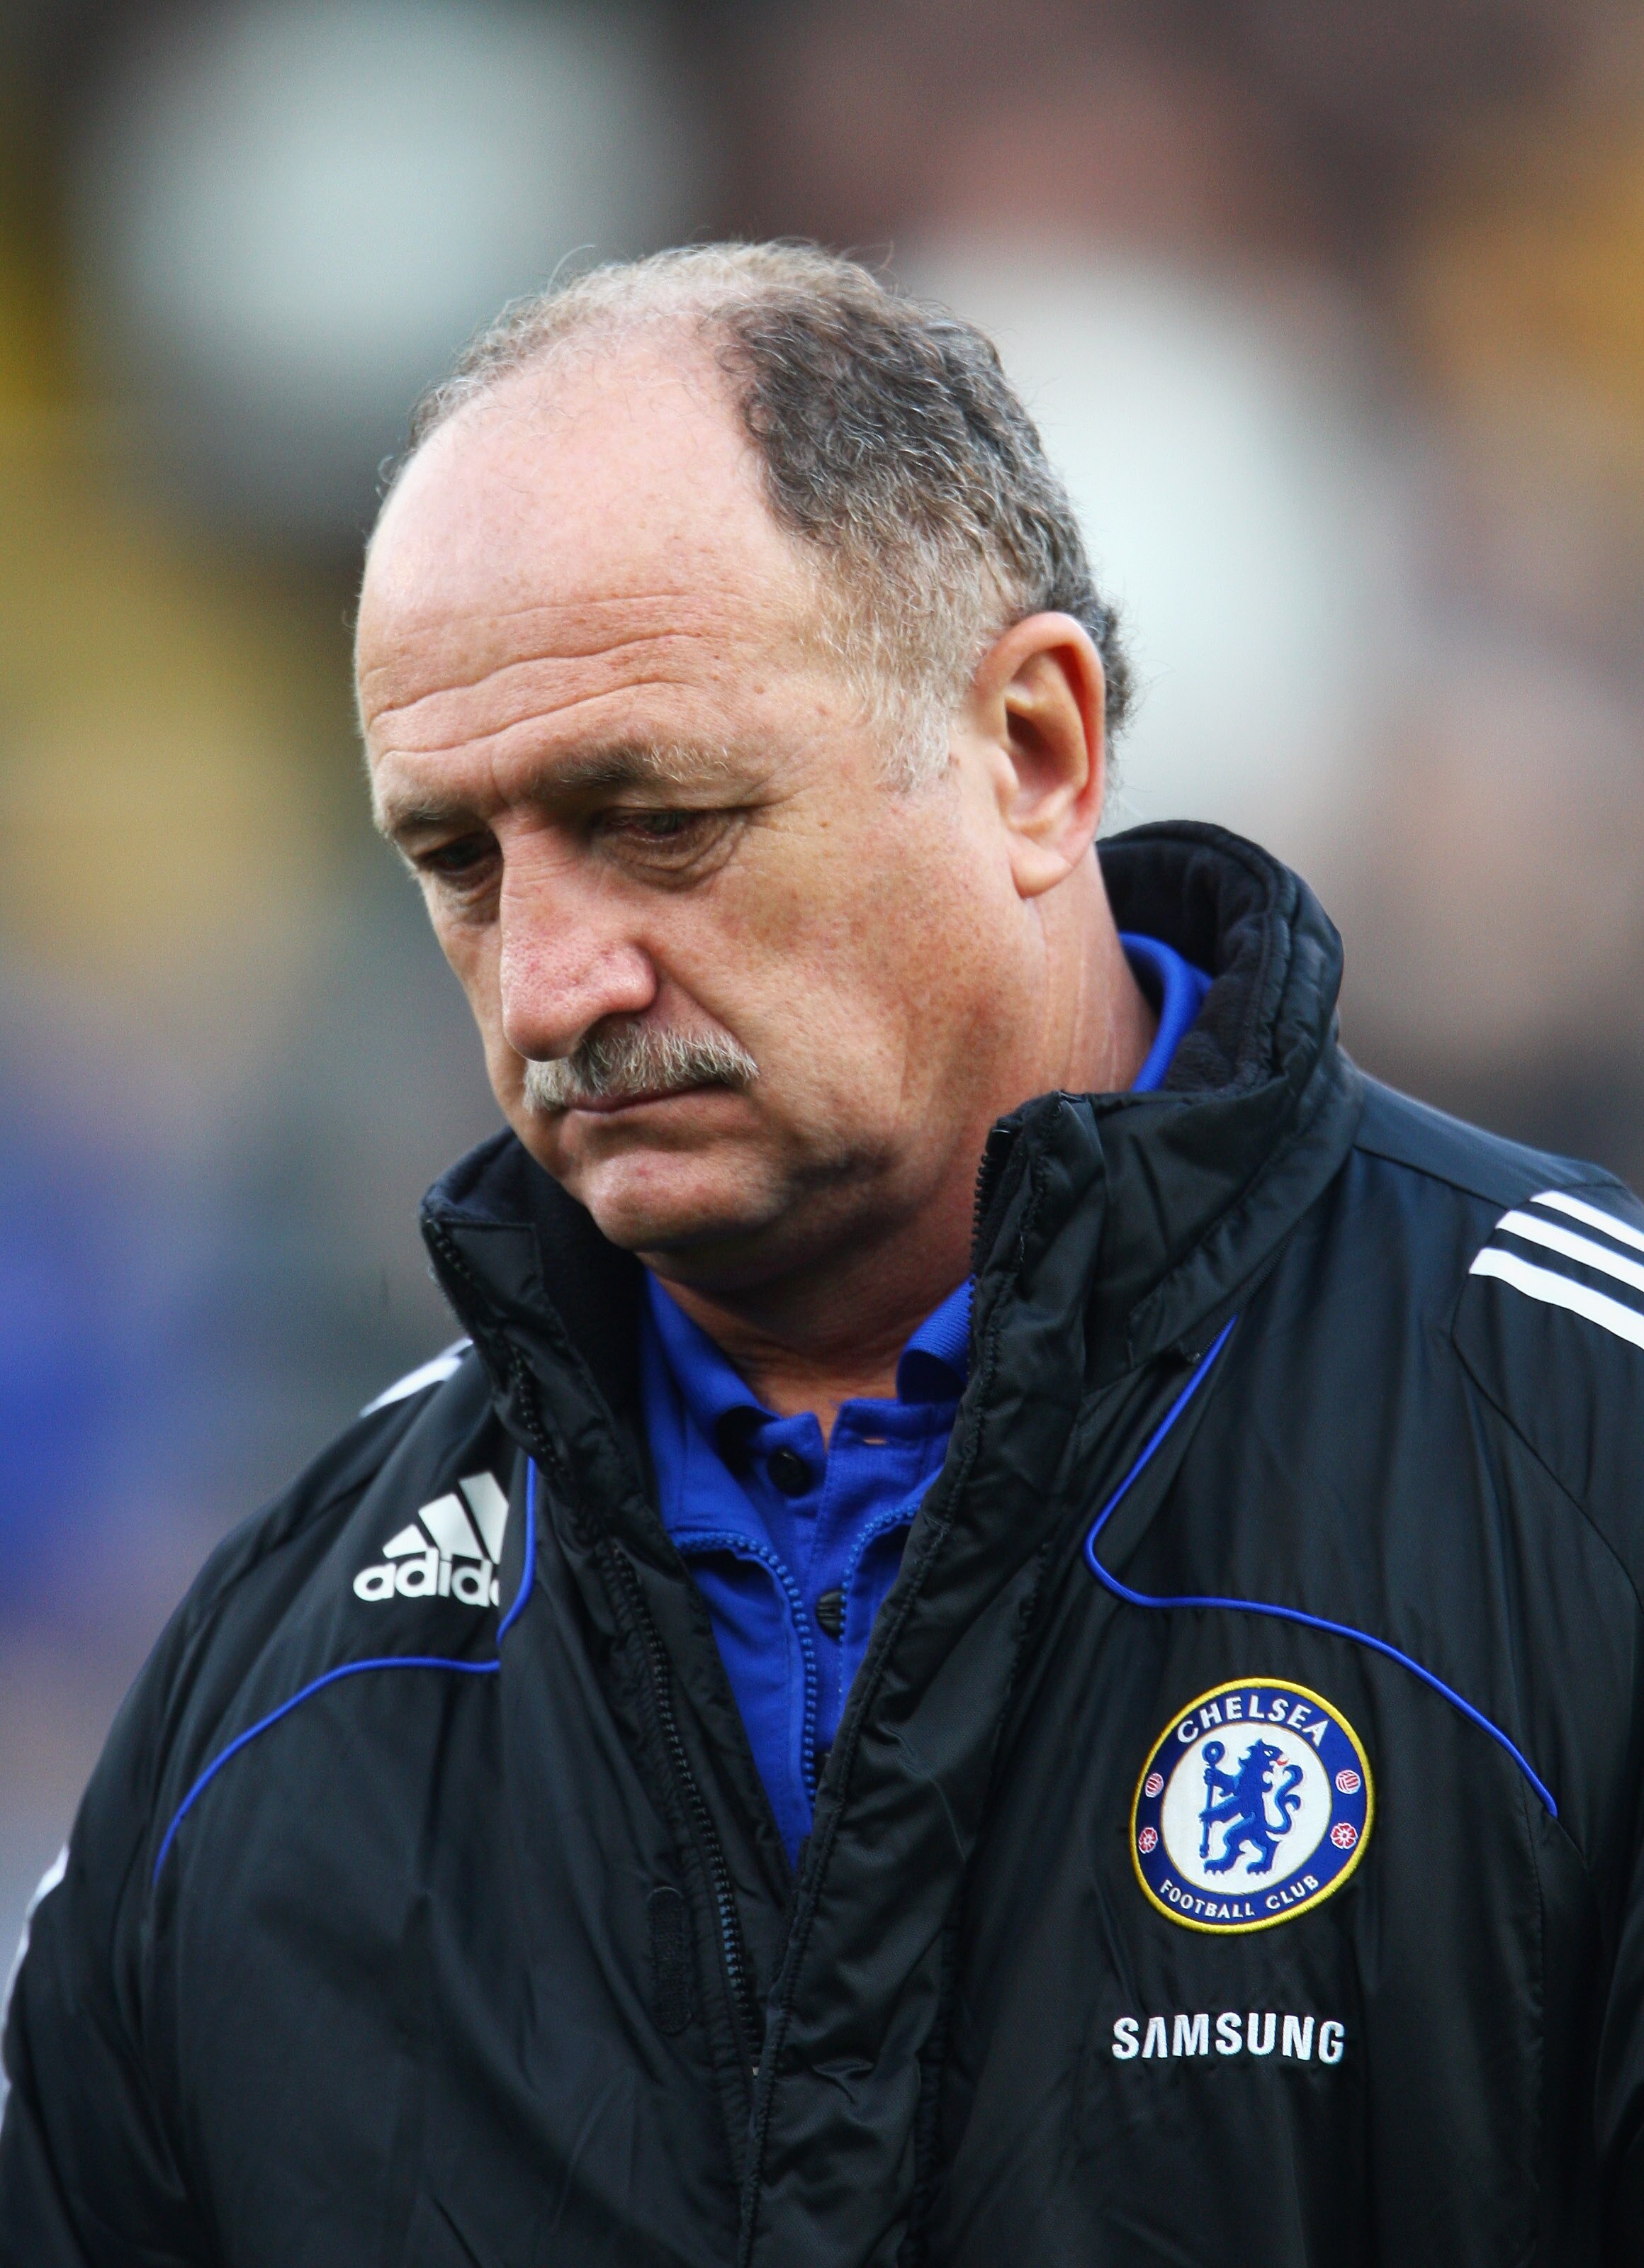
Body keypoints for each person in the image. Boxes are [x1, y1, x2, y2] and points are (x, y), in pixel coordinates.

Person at [3, 242, 1642, 2267]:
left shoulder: (1589, 1473)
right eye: (457, 865)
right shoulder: (280, 1678)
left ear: (1035, 750)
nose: (552, 981)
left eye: (660, 820)